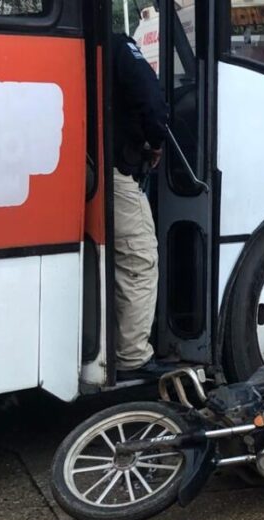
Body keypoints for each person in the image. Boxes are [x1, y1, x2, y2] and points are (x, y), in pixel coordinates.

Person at [111, 32, 170, 381]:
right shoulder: (117, 44)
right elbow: (150, 97)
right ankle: (132, 356)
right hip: (114, 173)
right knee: (139, 259)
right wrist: (157, 139)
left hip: (83, 169)